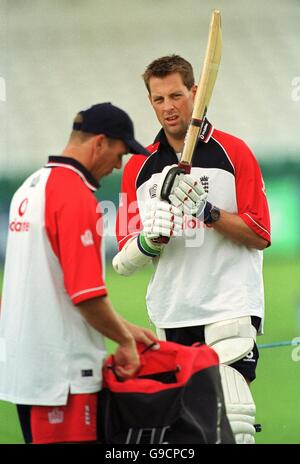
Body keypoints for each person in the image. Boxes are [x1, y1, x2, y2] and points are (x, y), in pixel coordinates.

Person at [113, 55, 271, 444]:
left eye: (177, 96)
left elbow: (260, 233)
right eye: (158, 99)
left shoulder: (233, 152)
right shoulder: (139, 167)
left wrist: (207, 211)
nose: (168, 107)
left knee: (233, 423)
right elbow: (122, 259)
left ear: (196, 94)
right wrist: (149, 242)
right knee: (186, 433)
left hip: (229, 308)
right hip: (171, 314)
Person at [0, 102, 158, 445]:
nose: (118, 165)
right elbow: (85, 295)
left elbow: (51, 289)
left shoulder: (29, 186)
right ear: (99, 142)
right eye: (119, 153)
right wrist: (126, 340)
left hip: (28, 372)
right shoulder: (74, 194)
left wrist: (127, 328)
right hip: (64, 377)